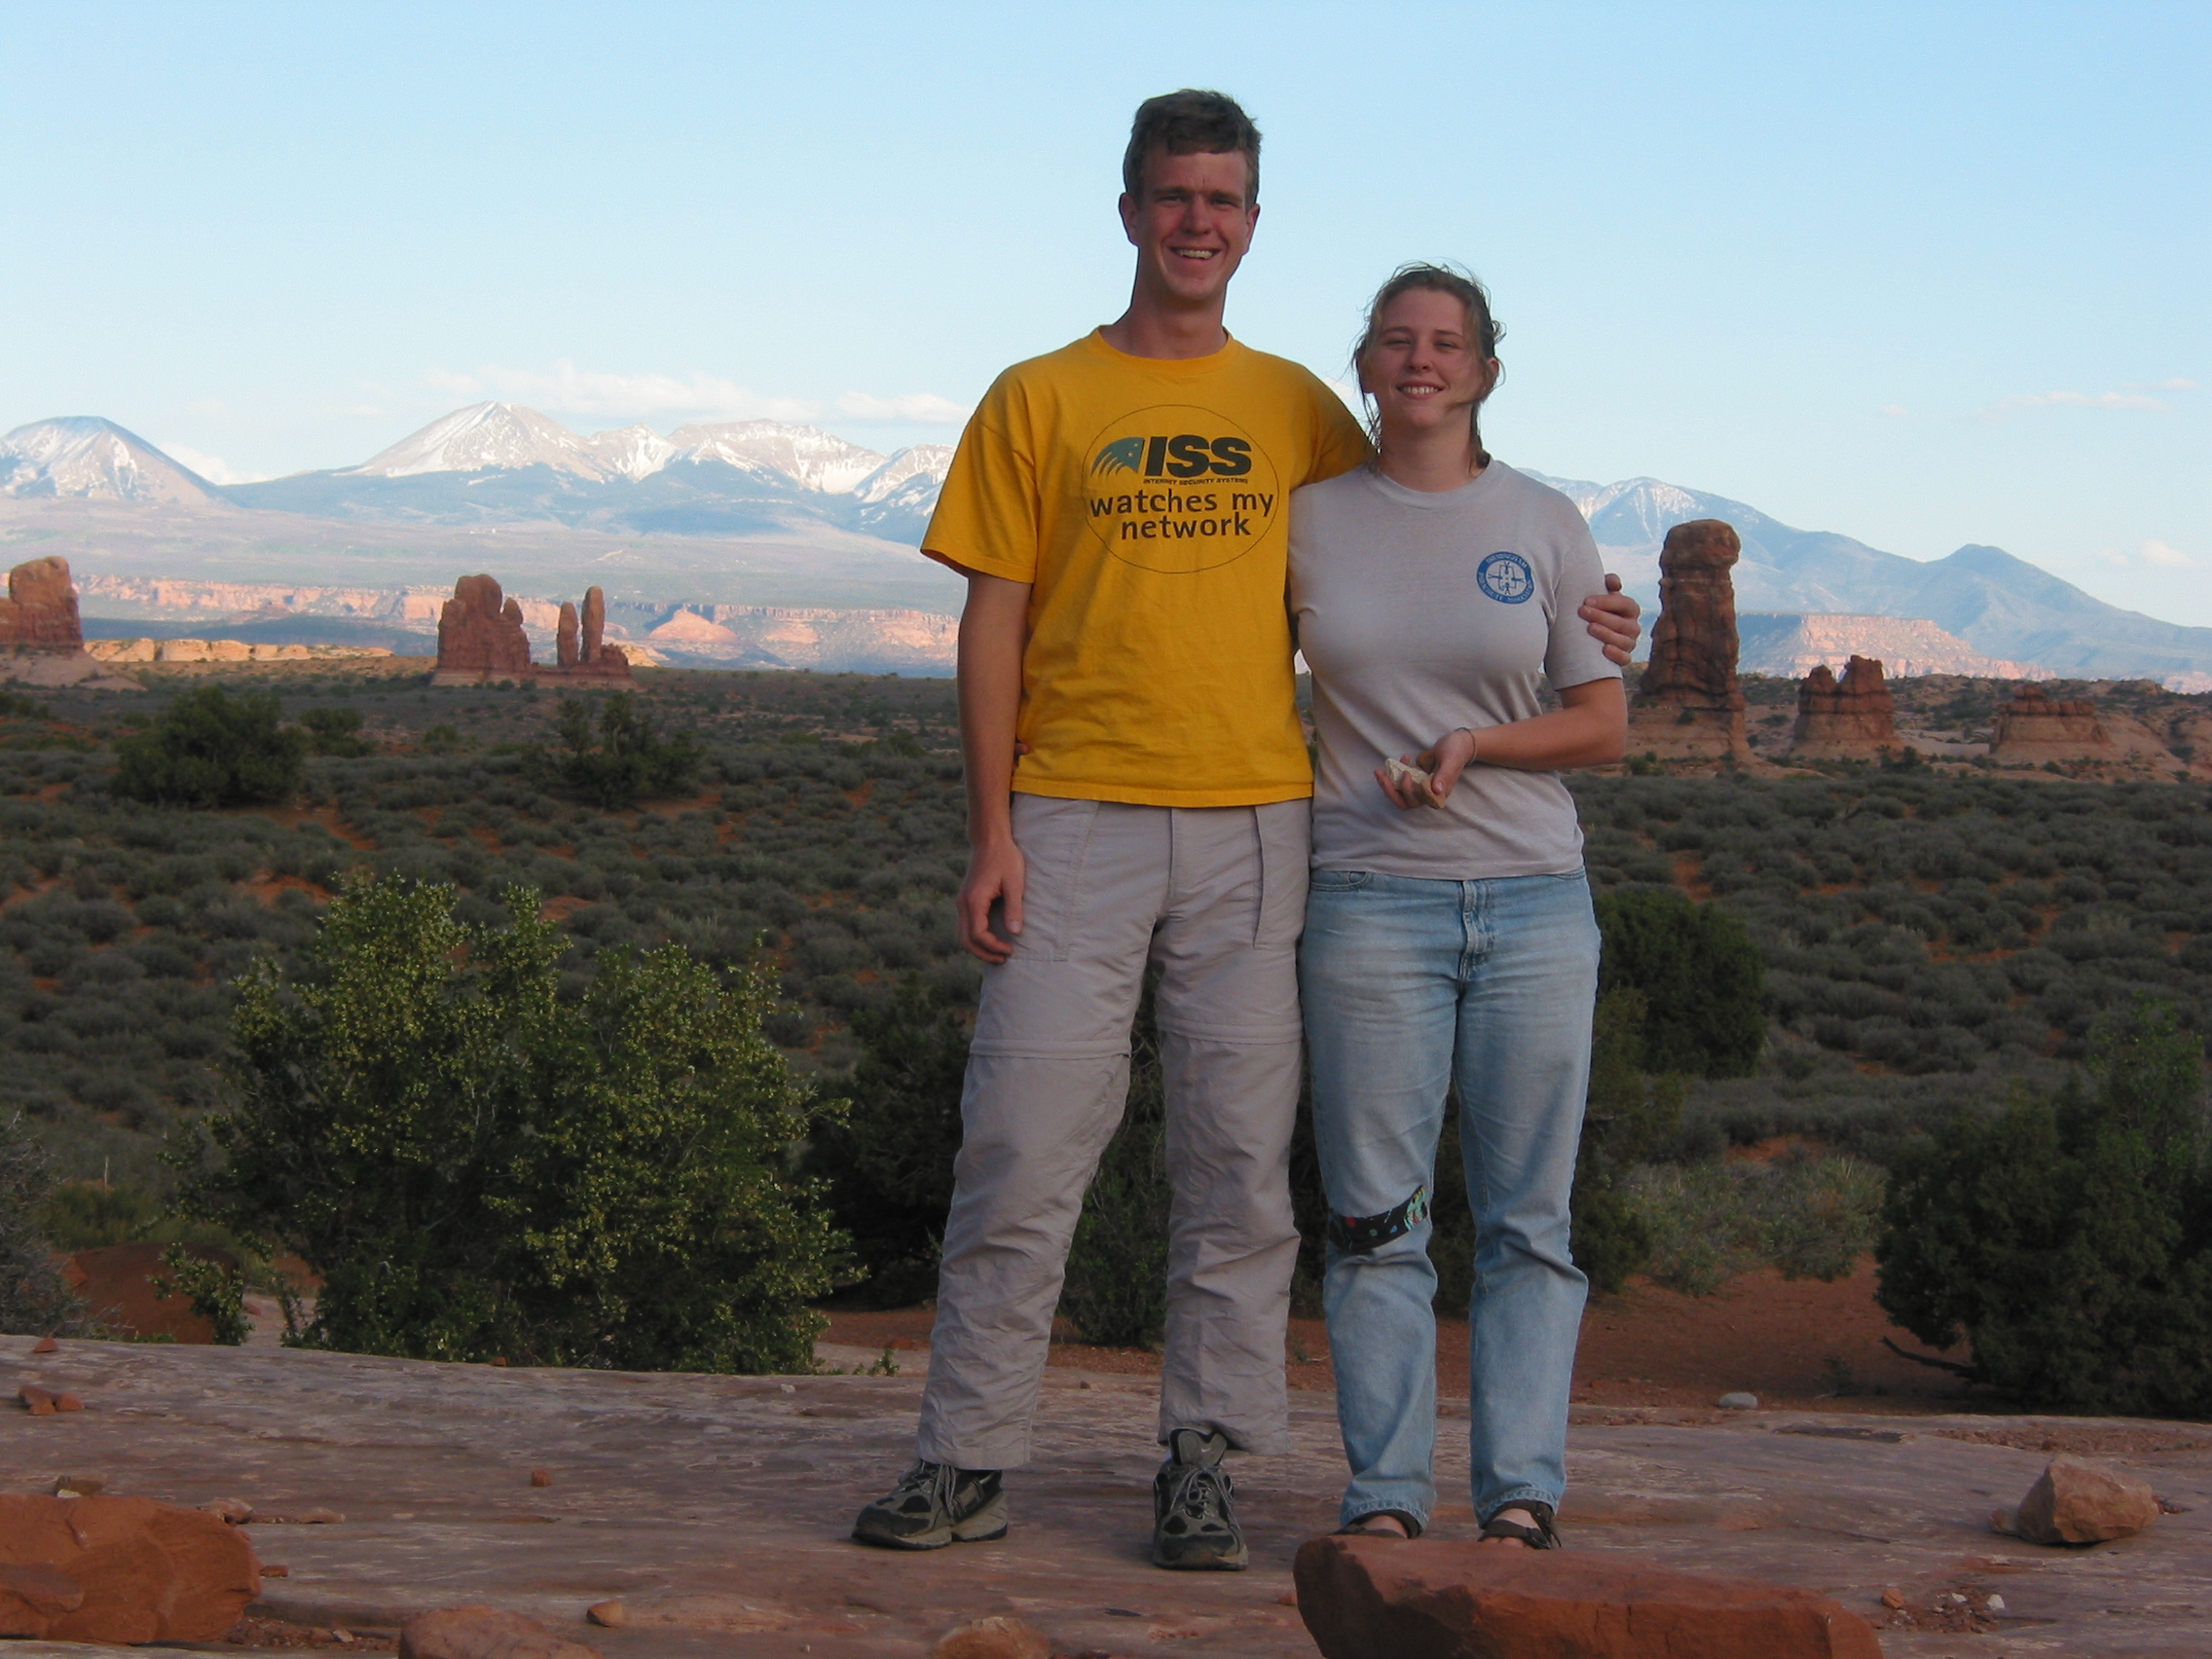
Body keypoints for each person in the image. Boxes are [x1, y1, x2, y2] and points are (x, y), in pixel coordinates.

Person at [851, 96, 1641, 1571]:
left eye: (1222, 199)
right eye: (1173, 196)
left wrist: (1584, 608)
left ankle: (1201, 1460)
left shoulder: (1296, 410)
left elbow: (1429, 508)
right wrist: (989, 829)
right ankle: (963, 1458)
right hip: (1072, 811)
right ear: (1132, 209)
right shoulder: (1038, 396)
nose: (1197, 221)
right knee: (1022, 1145)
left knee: (1233, 1163)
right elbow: (993, 616)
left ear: (1254, 222)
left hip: (1263, 828)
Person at [1289, 263, 1629, 1549]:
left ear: (1486, 370)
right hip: (1370, 905)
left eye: (1447, 343)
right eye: (1396, 341)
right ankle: (1383, 1497)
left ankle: (1519, 1495)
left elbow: (1601, 724)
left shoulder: (1544, 522)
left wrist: (1476, 751)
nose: (1421, 361)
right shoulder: (1309, 519)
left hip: (1537, 906)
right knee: (1375, 1221)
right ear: (1365, 365)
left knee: (1528, 1223)